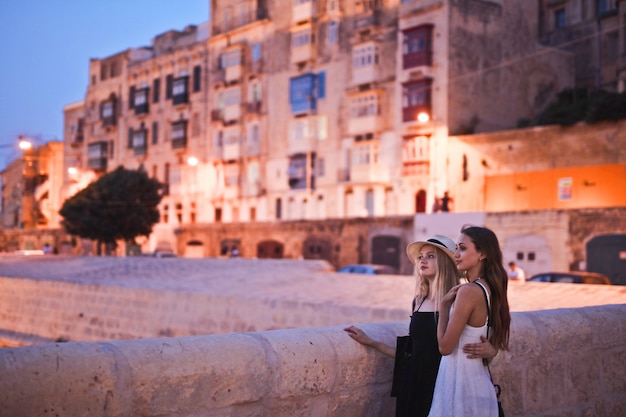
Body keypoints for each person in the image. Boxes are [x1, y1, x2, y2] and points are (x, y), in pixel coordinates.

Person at [344, 235, 496, 417]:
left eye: (431, 256)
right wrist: (372, 342)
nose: (422, 260)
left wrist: (492, 351)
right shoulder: (418, 301)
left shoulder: (461, 297)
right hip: (413, 385)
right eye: (420, 257)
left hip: (444, 385)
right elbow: (412, 353)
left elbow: (480, 340)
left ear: (446, 262)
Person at [428, 226, 511, 417]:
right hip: (478, 384)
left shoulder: (469, 291)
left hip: (460, 386)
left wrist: (442, 308)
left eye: (463, 248)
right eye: (456, 248)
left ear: (482, 253)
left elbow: (445, 347)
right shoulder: (490, 288)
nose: (456, 254)